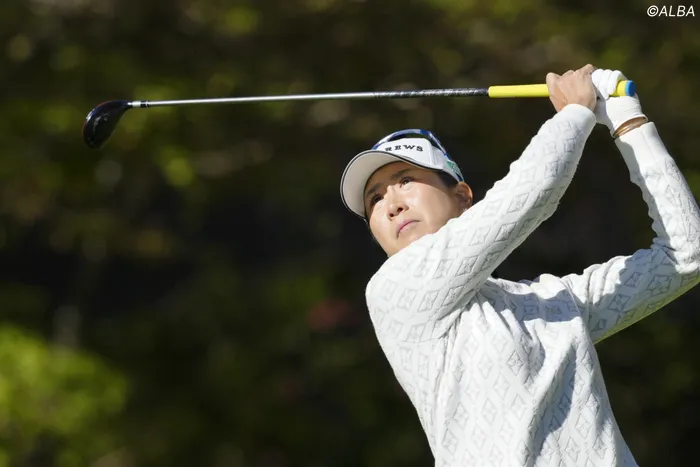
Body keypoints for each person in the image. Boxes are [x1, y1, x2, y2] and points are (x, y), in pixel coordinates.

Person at [339, 65, 700, 466]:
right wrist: (575, 113)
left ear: (462, 196)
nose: (391, 204)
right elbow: (532, 192)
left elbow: (686, 255)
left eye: (405, 180)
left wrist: (630, 123)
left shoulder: (551, 304)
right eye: (374, 199)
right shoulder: (393, 290)